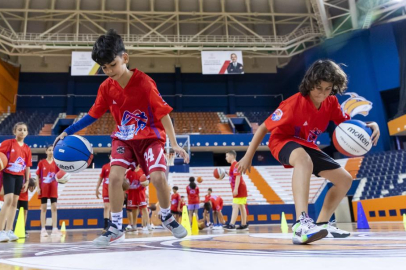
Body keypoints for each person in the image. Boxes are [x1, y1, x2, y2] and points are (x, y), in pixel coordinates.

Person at [54, 29, 189, 246]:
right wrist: (67, 131)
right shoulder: (106, 87)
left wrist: (174, 144)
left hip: (150, 137)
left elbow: (164, 113)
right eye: (104, 68)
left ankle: (166, 216)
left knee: (157, 178)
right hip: (123, 138)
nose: (108, 71)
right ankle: (116, 227)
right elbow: (92, 115)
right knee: (114, 178)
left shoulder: (144, 82)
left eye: (112, 65)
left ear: (124, 58)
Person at [237, 59, 381, 244]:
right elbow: (264, 128)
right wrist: (248, 156)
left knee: (344, 180)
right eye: (318, 88)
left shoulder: (331, 103)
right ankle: (300, 225)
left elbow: (347, 125)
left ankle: (322, 224)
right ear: (309, 84)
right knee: (304, 160)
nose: (323, 93)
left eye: (328, 88)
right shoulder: (293, 104)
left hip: (307, 145)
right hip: (282, 141)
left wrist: (370, 126)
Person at [0, 122, 32, 242]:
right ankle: (0, 231)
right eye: (20, 129)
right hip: (8, 174)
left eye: (24, 130)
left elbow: (27, 166)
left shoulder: (27, 148)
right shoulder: (8, 143)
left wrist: (27, 180)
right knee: (7, 201)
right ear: (15, 132)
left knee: (15, 203)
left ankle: (9, 230)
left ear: (27, 133)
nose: (22, 132)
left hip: (20, 177)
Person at [36, 145, 61, 237]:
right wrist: (38, 188)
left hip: (53, 188)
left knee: (54, 207)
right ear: (46, 151)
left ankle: (55, 228)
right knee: (43, 208)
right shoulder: (41, 163)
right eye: (49, 150)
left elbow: (60, 175)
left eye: (52, 150)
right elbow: (37, 176)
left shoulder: (57, 163)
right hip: (44, 188)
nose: (51, 152)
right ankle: (43, 229)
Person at [225, 150, 248, 231]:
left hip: (239, 188)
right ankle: (244, 224)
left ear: (232, 156)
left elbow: (238, 176)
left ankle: (232, 224)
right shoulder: (233, 165)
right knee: (241, 206)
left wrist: (236, 189)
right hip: (241, 187)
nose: (226, 158)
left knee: (235, 205)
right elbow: (234, 175)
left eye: (227, 156)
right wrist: (227, 174)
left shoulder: (235, 164)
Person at [125, 166, 150, 232]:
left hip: (140, 192)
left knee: (144, 208)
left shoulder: (143, 171)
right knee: (134, 210)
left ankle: (147, 225)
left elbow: (148, 180)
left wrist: (146, 182)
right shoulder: (129, 172)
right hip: (132, 193)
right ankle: (134, 226)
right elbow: (126, 183)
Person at [96, 156, 111, 233]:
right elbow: (100, 178)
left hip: (114, 190)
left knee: (112, 209)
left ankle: (112, 225)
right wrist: (97, 188)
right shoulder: (105, 166)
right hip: (106, 189)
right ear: (109, 156)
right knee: (106, 207)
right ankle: (106, 225)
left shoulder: (118, 167)